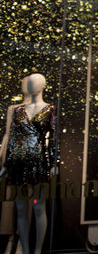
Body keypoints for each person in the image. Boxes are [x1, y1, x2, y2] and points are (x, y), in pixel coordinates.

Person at [0, 73, 56, 254]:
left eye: (34, 82)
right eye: (29, 82)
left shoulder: (49, 109)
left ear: (43, 85)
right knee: (21, 208)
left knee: (39, 207)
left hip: (38, 160)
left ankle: (38, 249)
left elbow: (53, 138)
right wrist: (6, 165)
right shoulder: (17, 110)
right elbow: (12, 138)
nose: (30, 85)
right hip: (17, 161)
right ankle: (24, 248)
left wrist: (54, 162)